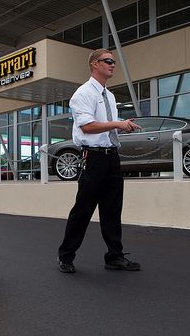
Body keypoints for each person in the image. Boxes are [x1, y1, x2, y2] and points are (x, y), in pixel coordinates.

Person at [57, 48, 142, 274]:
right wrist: (117, 124)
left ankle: (114, 256)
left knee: (112, 210)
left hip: (112, 157)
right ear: (95, 64)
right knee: (83, 209)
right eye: (108, 61)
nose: (112, 64)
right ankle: (65, 256)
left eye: (113, 62)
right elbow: (87, 126)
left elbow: (104, 127)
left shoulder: (109, 96)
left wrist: (123, 126)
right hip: (92, 158)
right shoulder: (83, 94)